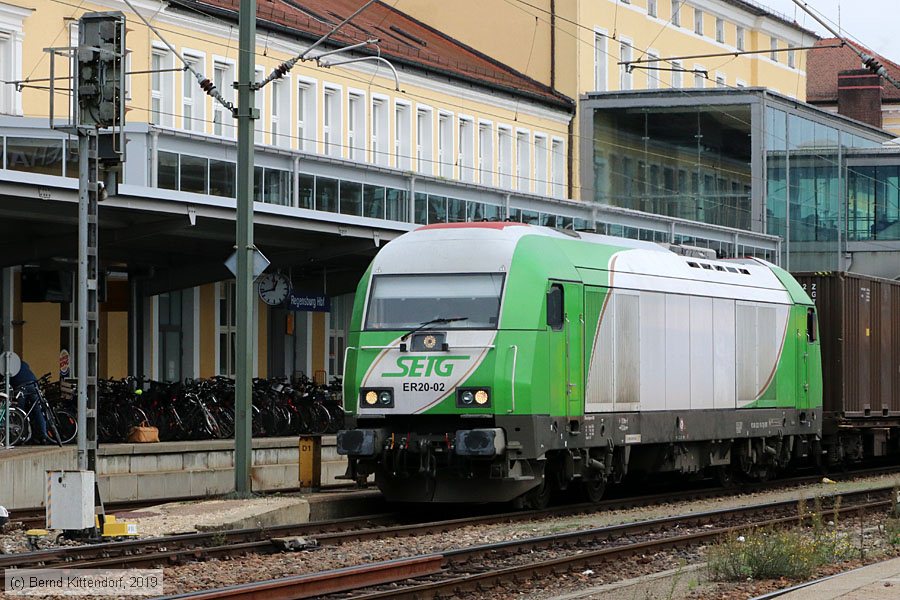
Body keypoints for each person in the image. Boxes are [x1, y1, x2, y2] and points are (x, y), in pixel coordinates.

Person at [10, 360, 50, 444]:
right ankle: (43, 436)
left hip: (20, 387)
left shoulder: (7, 366)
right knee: (38, 411)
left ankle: (19, 436)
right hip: (33, 384)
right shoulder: (22, 363)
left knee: (19, 412)